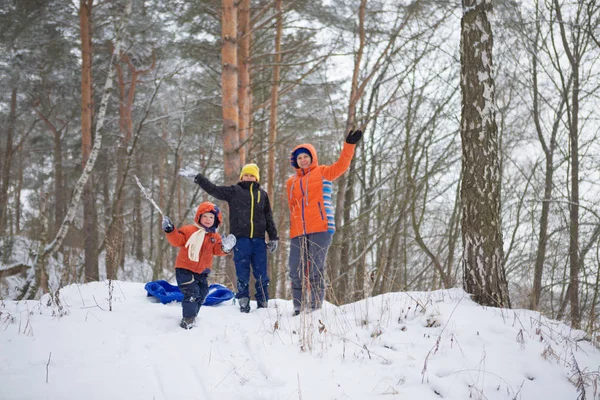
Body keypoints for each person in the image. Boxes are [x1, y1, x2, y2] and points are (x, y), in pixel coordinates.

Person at [179, 163, 279, 313]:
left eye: (252, 175)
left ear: (257, 178)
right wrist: (198, 178)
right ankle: (243, 299)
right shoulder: (235, 191)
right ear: (242, 176)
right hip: (241, 240)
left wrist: (273, 237)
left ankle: (263, 302)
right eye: (246, 175)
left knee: (261, 274)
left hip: (258, 240)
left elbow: (268, 217)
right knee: (242, 272)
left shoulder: (262, 195)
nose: (249, 177)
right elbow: (214, 190)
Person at [287, 129, 362, 315]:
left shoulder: (323, 172)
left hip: (321, 227)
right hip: (298, 231)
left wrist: (349, 146)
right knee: (295, 268)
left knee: (315, 268)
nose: (303, 160)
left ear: (312, 157)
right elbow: (292, 206)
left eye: (306, 156)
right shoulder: (291, 182)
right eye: (299, 158)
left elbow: (342, 166)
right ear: (295, 161)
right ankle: (298, 306)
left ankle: (314, 307)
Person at [162, 201, 236, 329]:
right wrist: (170, 231)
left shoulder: (215, 237)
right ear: (199, 217)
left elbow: (218, 251)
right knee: (192, 293)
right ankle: (188, 320)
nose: (208, 220)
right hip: (185, 269)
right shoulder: (189, 230)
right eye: (205, 216)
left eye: (211, 217)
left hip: (202, 272)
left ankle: (193, 315)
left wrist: (226, 248)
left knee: (202, 293)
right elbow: (177, 240)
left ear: (216, 220)